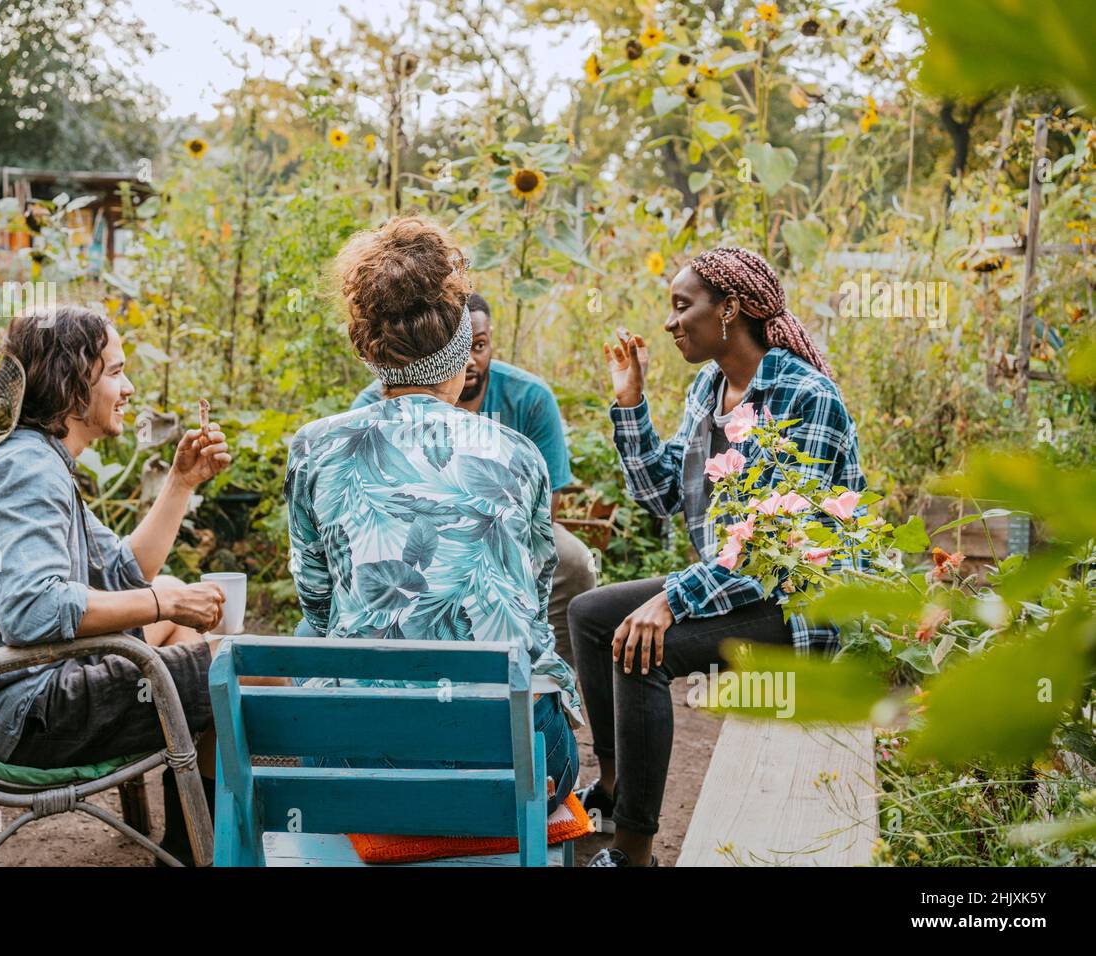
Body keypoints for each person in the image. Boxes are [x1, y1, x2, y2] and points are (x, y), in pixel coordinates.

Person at [569, 246, 868, 866]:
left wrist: (670, 601)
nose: (671, 323)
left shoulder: (805, 397)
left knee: (640, 649)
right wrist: (630, 402)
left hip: (798, 602)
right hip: (736, 585)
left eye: (683, 307)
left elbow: (771, 546)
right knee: (592, 616)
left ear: (730, 309)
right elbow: (659, 494)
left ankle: (632, 849)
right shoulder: (711, 387)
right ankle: (617, 783)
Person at [0, 306, 235, 865]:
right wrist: (166, 601)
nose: (128, 387)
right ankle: (203, 847)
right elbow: (34, 611)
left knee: (183, 621)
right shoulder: (28, 471)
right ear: (69, 385)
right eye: (114, 372)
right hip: (6, 714)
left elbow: (121, 573)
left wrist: (181, 483)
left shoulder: (33, 457)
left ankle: (183, 847)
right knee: (241, 664)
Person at [286, 213, 581, 811]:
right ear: (457, 347)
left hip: (355, 757)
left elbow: (316, 602)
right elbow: (536, 600)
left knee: (310, 637)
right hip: (512, 755)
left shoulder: (313, 447)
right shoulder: (518, 454)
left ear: (366, 350)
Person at [351, 291, 598, 663]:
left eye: (479, 345)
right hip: (404, 523)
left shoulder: (529, 397)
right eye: (459, 348)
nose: (469, 360)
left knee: (575, 561)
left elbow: (546, 512)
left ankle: (549, 674)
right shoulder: (378, 402)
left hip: (511, 524)